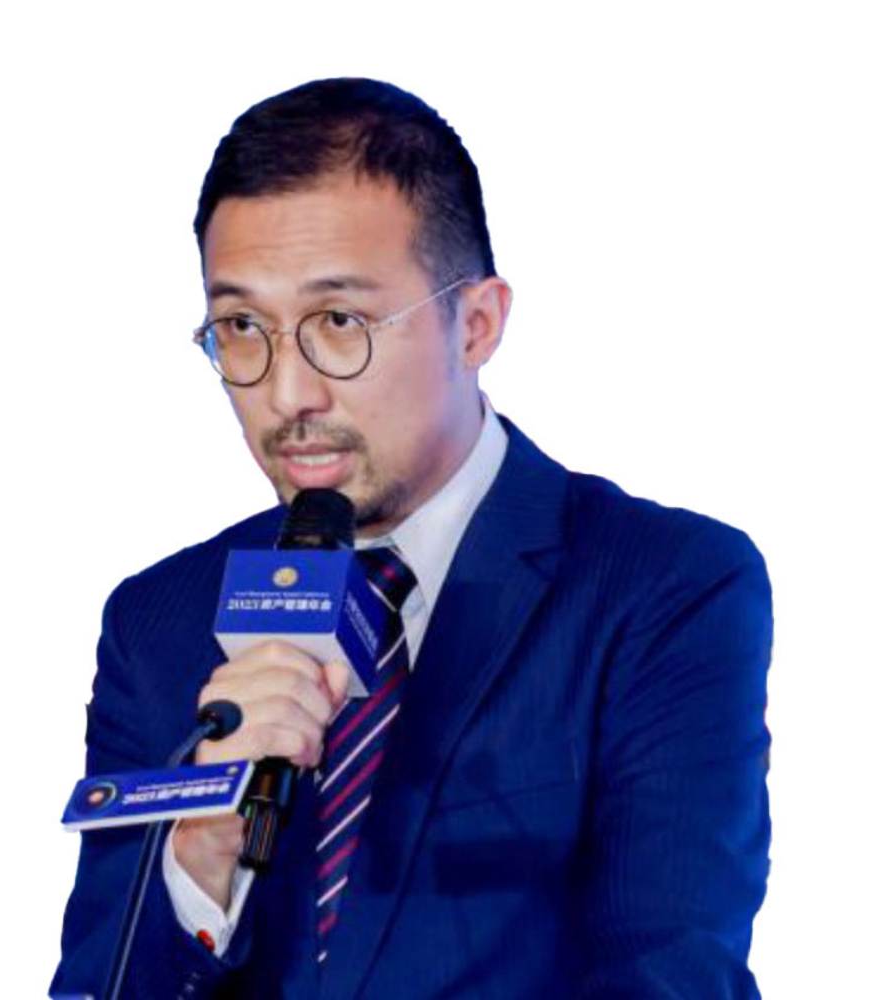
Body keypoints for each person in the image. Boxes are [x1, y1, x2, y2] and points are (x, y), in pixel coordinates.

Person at [51, 77, 773, 999]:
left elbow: (668, 975)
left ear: (476, 324)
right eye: (241, 327)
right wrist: (200, 858)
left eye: (339, 323)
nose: (287, 394)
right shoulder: (159, 621)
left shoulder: (660, 586)